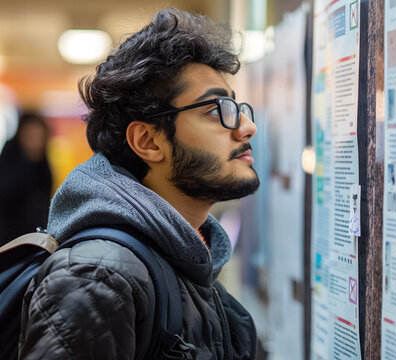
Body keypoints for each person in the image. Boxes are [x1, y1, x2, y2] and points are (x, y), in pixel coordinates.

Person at [18, 8, 261, 359]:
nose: (245, 126)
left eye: (237, 106)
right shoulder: (98, 276)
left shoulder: (185, 265)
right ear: (148, 141)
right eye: (216, 109)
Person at [0, 113, 52, 246]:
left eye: (39, 137)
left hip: (35, 238)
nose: (36, 142)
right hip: (9, 238)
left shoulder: (43, 163)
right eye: (31, 136)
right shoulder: (9, 159)